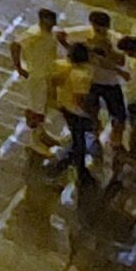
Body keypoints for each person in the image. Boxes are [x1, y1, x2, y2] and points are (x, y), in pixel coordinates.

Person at [9, 6, 62, 160]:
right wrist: (19, 67)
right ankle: (34, 141)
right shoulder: (34, 34)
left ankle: (42, 133)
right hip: (36, 77)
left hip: (46, 74)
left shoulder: (50, 33)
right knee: (35, 109)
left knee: (43, 106)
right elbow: (15, 45)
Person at [51, 42, 102, 180]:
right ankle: (80, 170)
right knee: (79, 140)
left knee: (77, 137)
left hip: (65, 105)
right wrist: (93, 117)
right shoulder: (82, 75)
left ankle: (70, 160)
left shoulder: (65, 67)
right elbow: (80, 99)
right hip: (77, 112)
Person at [83, 11, 131, 144]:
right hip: (92, 81)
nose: (99, 30)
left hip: (110, 82)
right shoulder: (85, 36)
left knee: (119, 115)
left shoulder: (115, 39)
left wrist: (107, 50)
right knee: (91, 113)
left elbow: (121, 60)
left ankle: (116, 141)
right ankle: (95, 138)